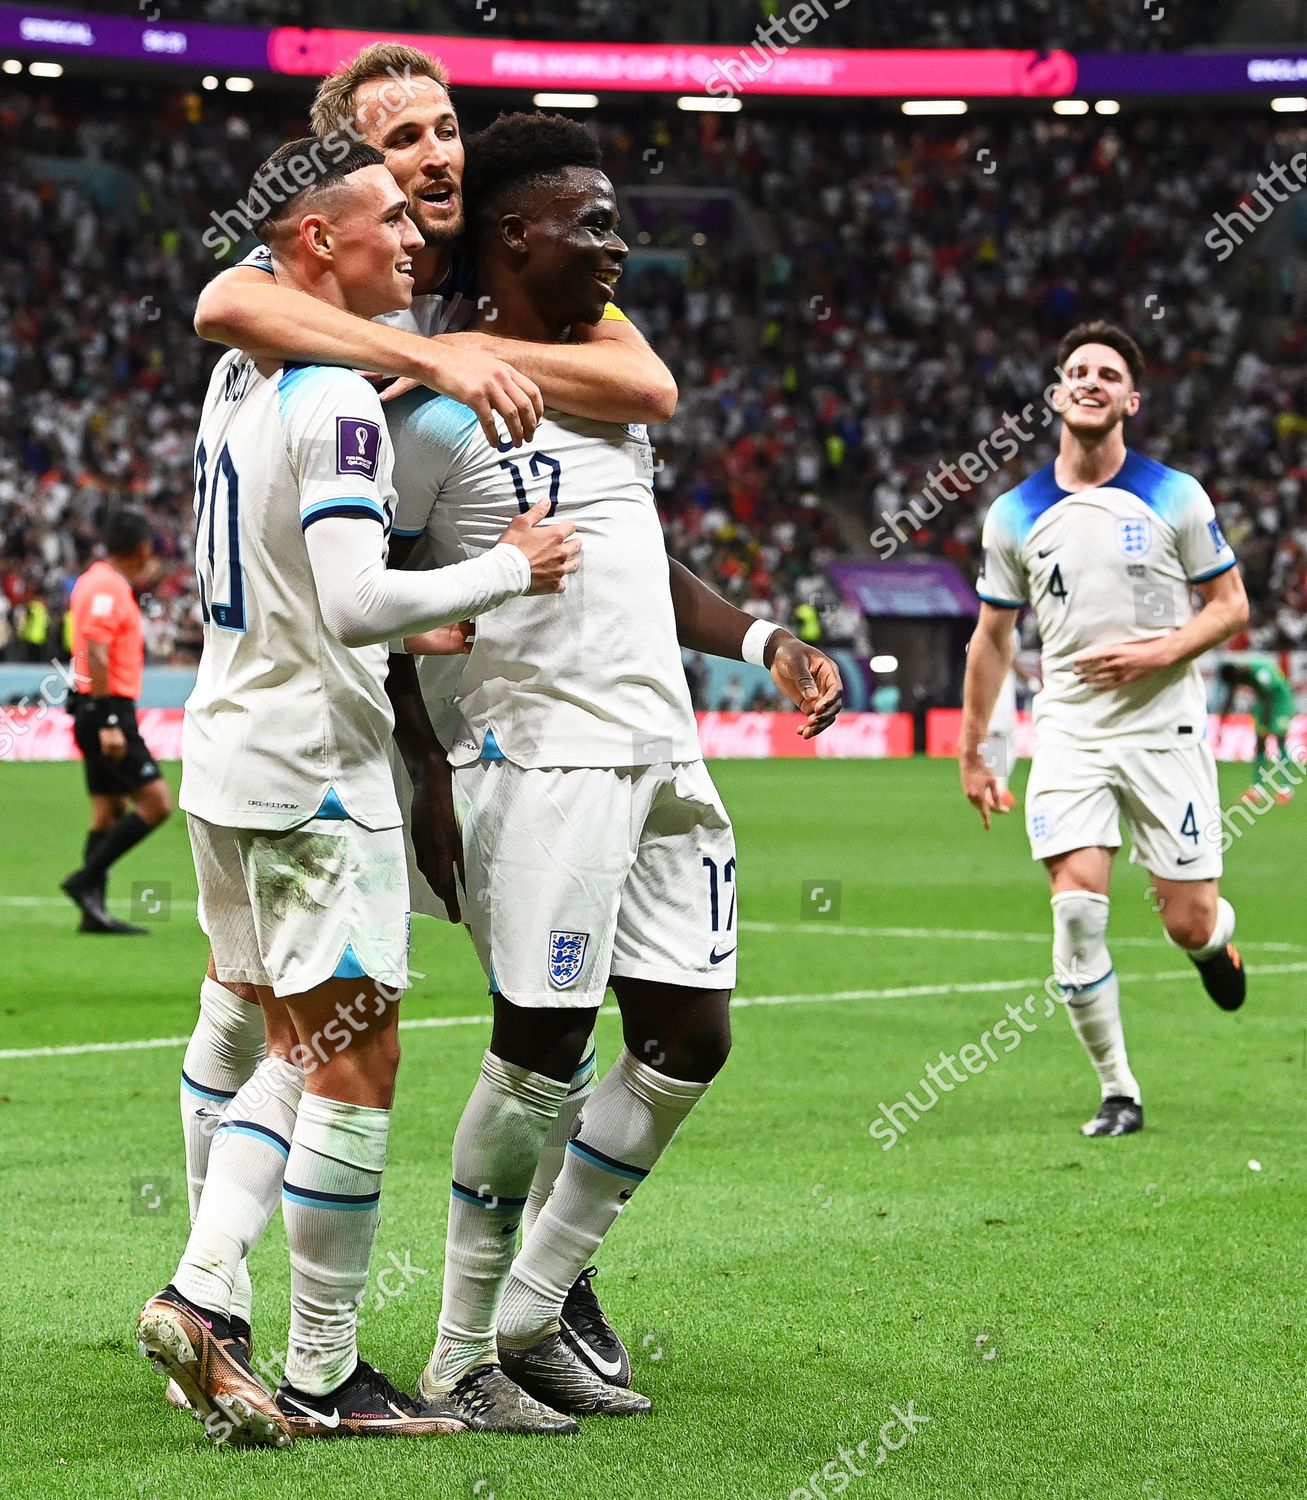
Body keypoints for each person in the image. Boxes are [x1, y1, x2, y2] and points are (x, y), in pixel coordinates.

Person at [169, 40, 681, 1404]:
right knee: (280, 1027)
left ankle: (517, 1288)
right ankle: (230, 1301)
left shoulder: (478, 291)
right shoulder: (321, 313)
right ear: (334, 176)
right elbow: (227, 295)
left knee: (340, 1024)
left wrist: (457, 347)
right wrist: (420, 354)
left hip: (361, 702)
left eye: (447, 130)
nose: (435, 160)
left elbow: (644, 391)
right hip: (337, 716)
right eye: (398, 143)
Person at [386, 112, 843, 1431]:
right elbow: (368, 594)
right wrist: (423, 767)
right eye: (590, 222)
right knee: (536, 1054)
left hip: (659, 747)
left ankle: (532, 1312)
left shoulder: (598, 371)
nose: (617, 243)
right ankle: (461, 1352)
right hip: (536, 756)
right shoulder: (424, 408)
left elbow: (636, 555)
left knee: (688, 1037)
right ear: (513, 232)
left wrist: (760, 637)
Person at [136, 138, 579, 1448]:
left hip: (222, 751)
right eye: (386, 217)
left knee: (290, 1038)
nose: (413, 236)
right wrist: (507, 569)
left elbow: (309, 591)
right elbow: (350, 593)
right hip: (314, 776)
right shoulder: (333, 393)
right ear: (317, 240)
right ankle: (296, 1358)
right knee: (352, 1053)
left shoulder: (238, 376)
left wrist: (401, 635)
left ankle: (213, 1297)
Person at [960, 321, 1250, 1138]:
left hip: (1165, 732)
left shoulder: (1175, 495)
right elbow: (991, 636)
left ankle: (1212, 945)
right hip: (1070, 734)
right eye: (1076, 370)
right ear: (1056, 394)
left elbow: (1230, 606)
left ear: (1130, 399)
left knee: (1186, 919)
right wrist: (976, 748)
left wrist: (1158, 651)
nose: (1090, 381)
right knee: (1076, 909)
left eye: (1107, 373)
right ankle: (1117, 1089)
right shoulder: (1013, 513)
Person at [61, 508, 173, 935]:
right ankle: (85, 881)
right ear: (142, 547)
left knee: (107, 811)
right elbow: (96, 646)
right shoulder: (107, 587)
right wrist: (109, 718)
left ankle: (93, 912)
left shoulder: (96, 581)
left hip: (92, 705)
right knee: (156, 803)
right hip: (107, 708)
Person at [1216, 657, 1296, 803]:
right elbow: (1230, 696)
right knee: (1259, 744)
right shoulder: (1237, 675)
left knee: (1280, 742)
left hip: (1280, 702)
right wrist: (1222, 720)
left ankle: (1286, 788)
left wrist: (1265, 724)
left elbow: (1270, 694)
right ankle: (1257, 788)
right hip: (1262, 703)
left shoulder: (1259, 670)